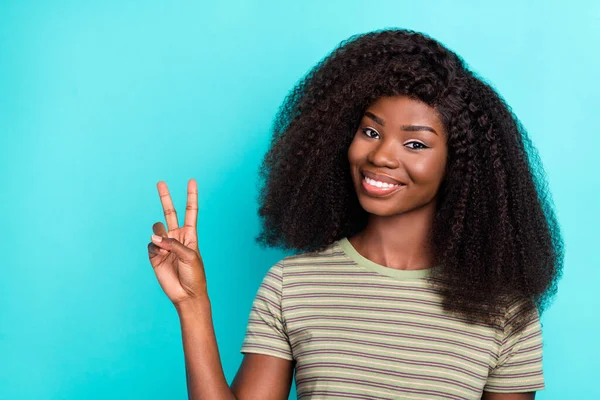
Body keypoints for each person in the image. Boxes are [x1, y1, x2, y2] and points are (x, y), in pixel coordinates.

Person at [147, 28, 563, 400]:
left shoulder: (504, 311)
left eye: (415, 144)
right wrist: (193, 304)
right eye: (371, 131)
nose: (381, 155)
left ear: (458, 165)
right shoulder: (292, 285)